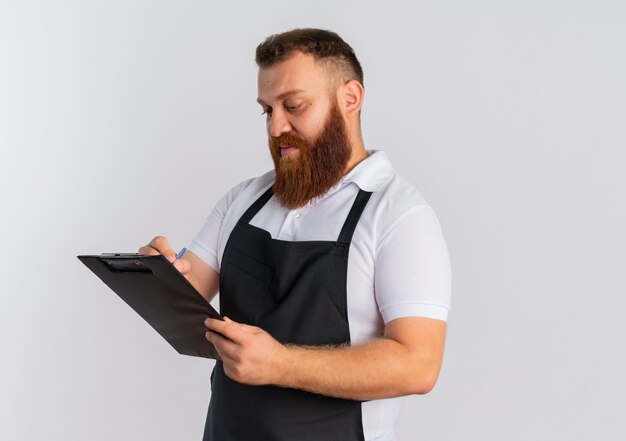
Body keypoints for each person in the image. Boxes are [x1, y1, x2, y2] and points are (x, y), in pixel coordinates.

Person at [139, 28, 451, 441]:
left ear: (350, 98)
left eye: (294, 106)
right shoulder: (244, 199)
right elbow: (188, 294)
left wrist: (279, 364)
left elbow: (418, 366)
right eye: (267, 110)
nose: (275, 128)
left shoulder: (399, 215)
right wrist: (157, 275)